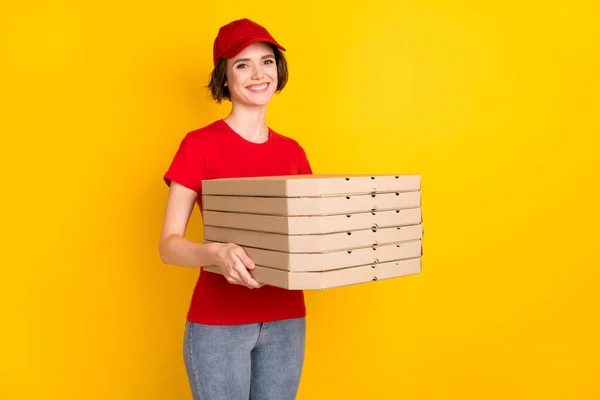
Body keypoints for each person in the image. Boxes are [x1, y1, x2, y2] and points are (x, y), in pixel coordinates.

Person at [159, 18, 313, 400]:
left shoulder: (293, 152)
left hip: (287, 320)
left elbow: (311, 233)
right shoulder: (199, 145)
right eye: (242, 64)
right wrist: (216, 252)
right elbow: (168, 245)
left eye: (267, 61)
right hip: (219, 325)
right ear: (224, 78)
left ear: (278, 70)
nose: (258, 73)